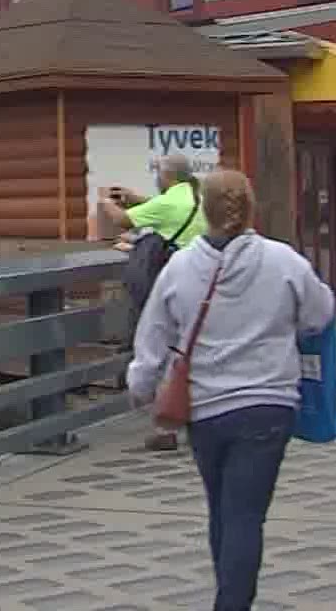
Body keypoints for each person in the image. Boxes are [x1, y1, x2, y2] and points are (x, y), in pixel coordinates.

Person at [127, 169, 334, 611]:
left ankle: (229, 593)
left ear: (205, 210)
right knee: (245, 513)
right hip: (268, 404)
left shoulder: (180, 268)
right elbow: (320, 313)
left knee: (221, 507)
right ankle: (233, 602)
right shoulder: (284, 261)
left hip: (205, 408)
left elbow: (153, 334)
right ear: (250, 207)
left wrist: (141, 386)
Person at [102, 155, 206, 451]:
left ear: (167, 176)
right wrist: (135, 199)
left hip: (173, 282)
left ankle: (166, 427)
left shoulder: (169, 202)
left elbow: (121, 219)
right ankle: (199, 417)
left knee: (164, 350)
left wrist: (105, 201)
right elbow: (165, 210)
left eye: (158, 172)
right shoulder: (195, 195)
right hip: (203, 283)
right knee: (193, 349)